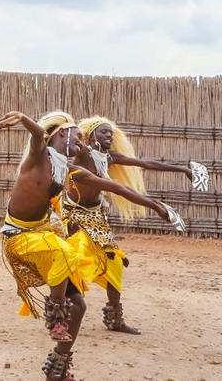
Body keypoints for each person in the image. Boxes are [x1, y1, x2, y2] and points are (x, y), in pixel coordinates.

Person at [0, 110, 176, 381]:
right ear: (61, 135)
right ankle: (55, 318)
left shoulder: (70, 170)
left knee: (78, 307)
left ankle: (58, 368)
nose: (81, 141)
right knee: (66, 250)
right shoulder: (37, 157)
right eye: (77, 135)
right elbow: (36, 133)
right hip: (21, 237)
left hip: (44, 237)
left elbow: (117, 188)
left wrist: (157, 207)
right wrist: (22, 117)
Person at [71, 115, 197, 334]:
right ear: (91, 136)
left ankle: (115, 319)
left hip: (96, 217)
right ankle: (60, 316)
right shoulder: (82, 152)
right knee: (72, 261)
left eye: (110, 132)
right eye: (103, 132)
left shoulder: (110, 157)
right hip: (71, 216)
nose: (109, 135)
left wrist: (182, 169)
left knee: (115, 264)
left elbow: (146, 163)